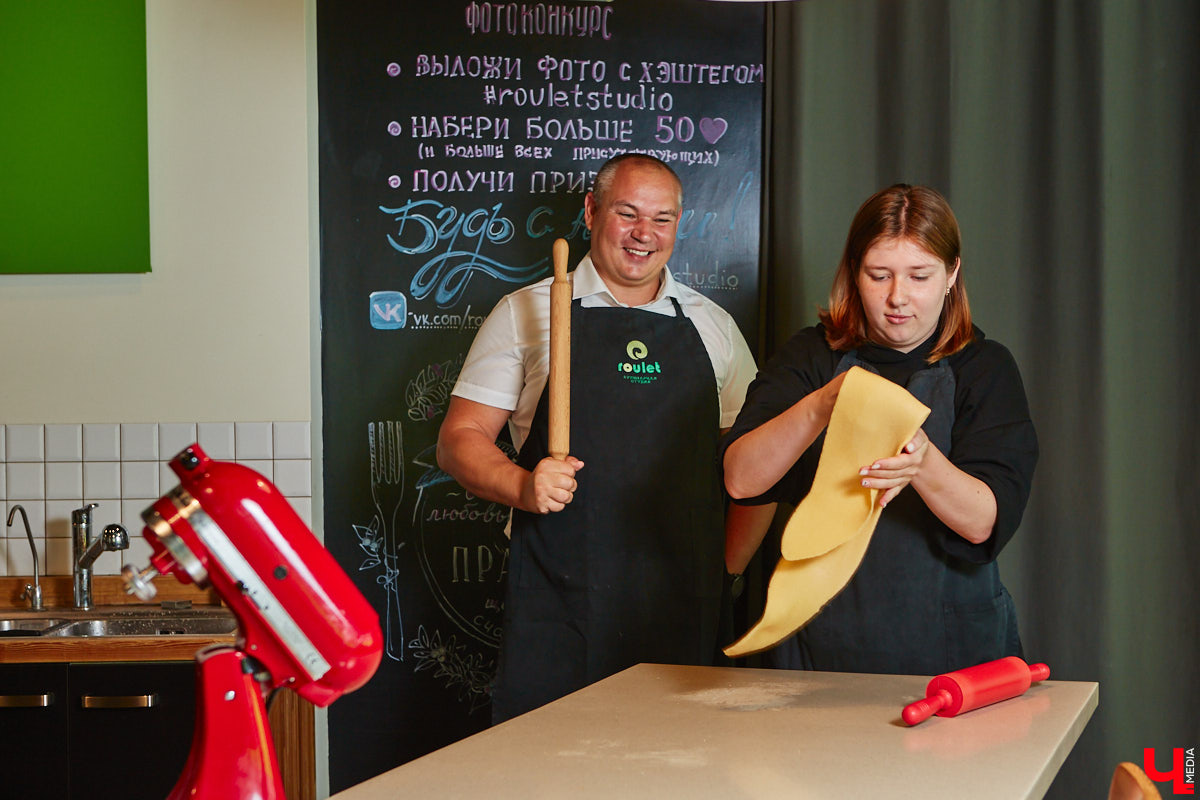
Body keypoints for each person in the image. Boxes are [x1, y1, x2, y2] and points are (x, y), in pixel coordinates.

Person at [437, 153, 759, 722]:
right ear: (591, 212)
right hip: (562, 599)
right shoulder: (527, 312)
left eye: (661, 219)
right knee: (556, 756)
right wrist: (522, 486)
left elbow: (754, 464)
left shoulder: (714, 326)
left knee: (681, 757)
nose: (644, 233)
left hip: (682, 597)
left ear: (678, 225)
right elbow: (459, 438)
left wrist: (727, 566)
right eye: (627, 213)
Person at [722, 184, 1038, 676]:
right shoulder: (811, 357)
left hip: (952, 650)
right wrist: (822, 405)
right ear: (854, 272)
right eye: (879, 275)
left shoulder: (985, 368)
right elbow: (741, 479)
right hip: (817, 647)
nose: (898, 297)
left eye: (919, 276)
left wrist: (923, 464)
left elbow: (983, 522)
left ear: (952, 274)